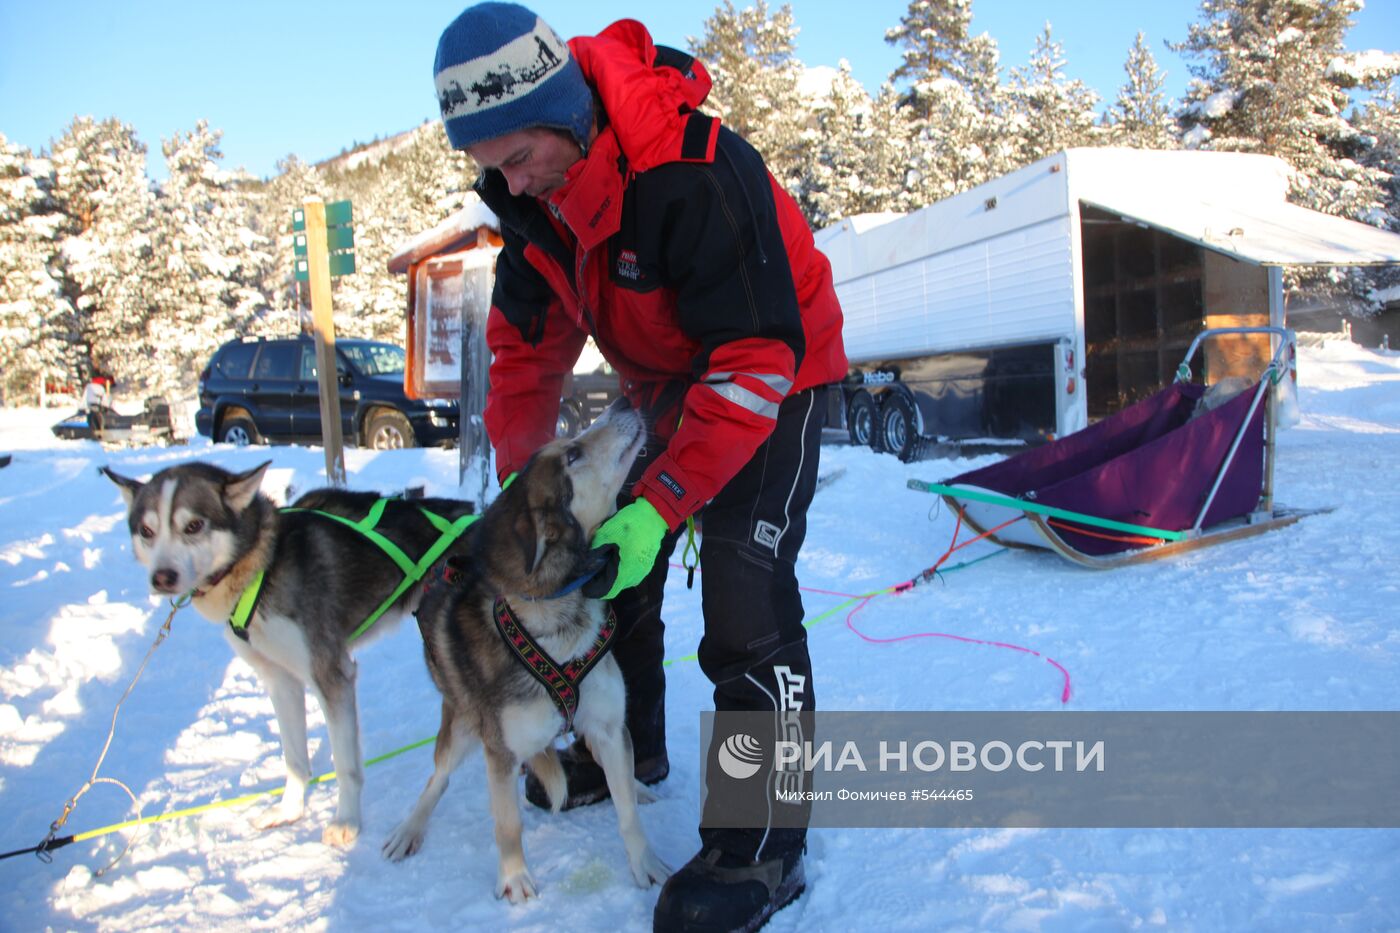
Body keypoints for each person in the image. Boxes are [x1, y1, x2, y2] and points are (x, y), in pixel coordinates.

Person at [433, 5, 847, 929]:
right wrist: (524, 486)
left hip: (779, 371)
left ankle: (762, 839)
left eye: (515, 156)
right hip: (665, 388)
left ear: (562, 112)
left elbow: (752, 361)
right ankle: (628, 743)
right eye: (490, 166)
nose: (507, 180)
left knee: (746, 590)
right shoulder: (534, 207)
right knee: (613, 566)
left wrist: (661, 500)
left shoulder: (691, 172)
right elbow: (526, 354)